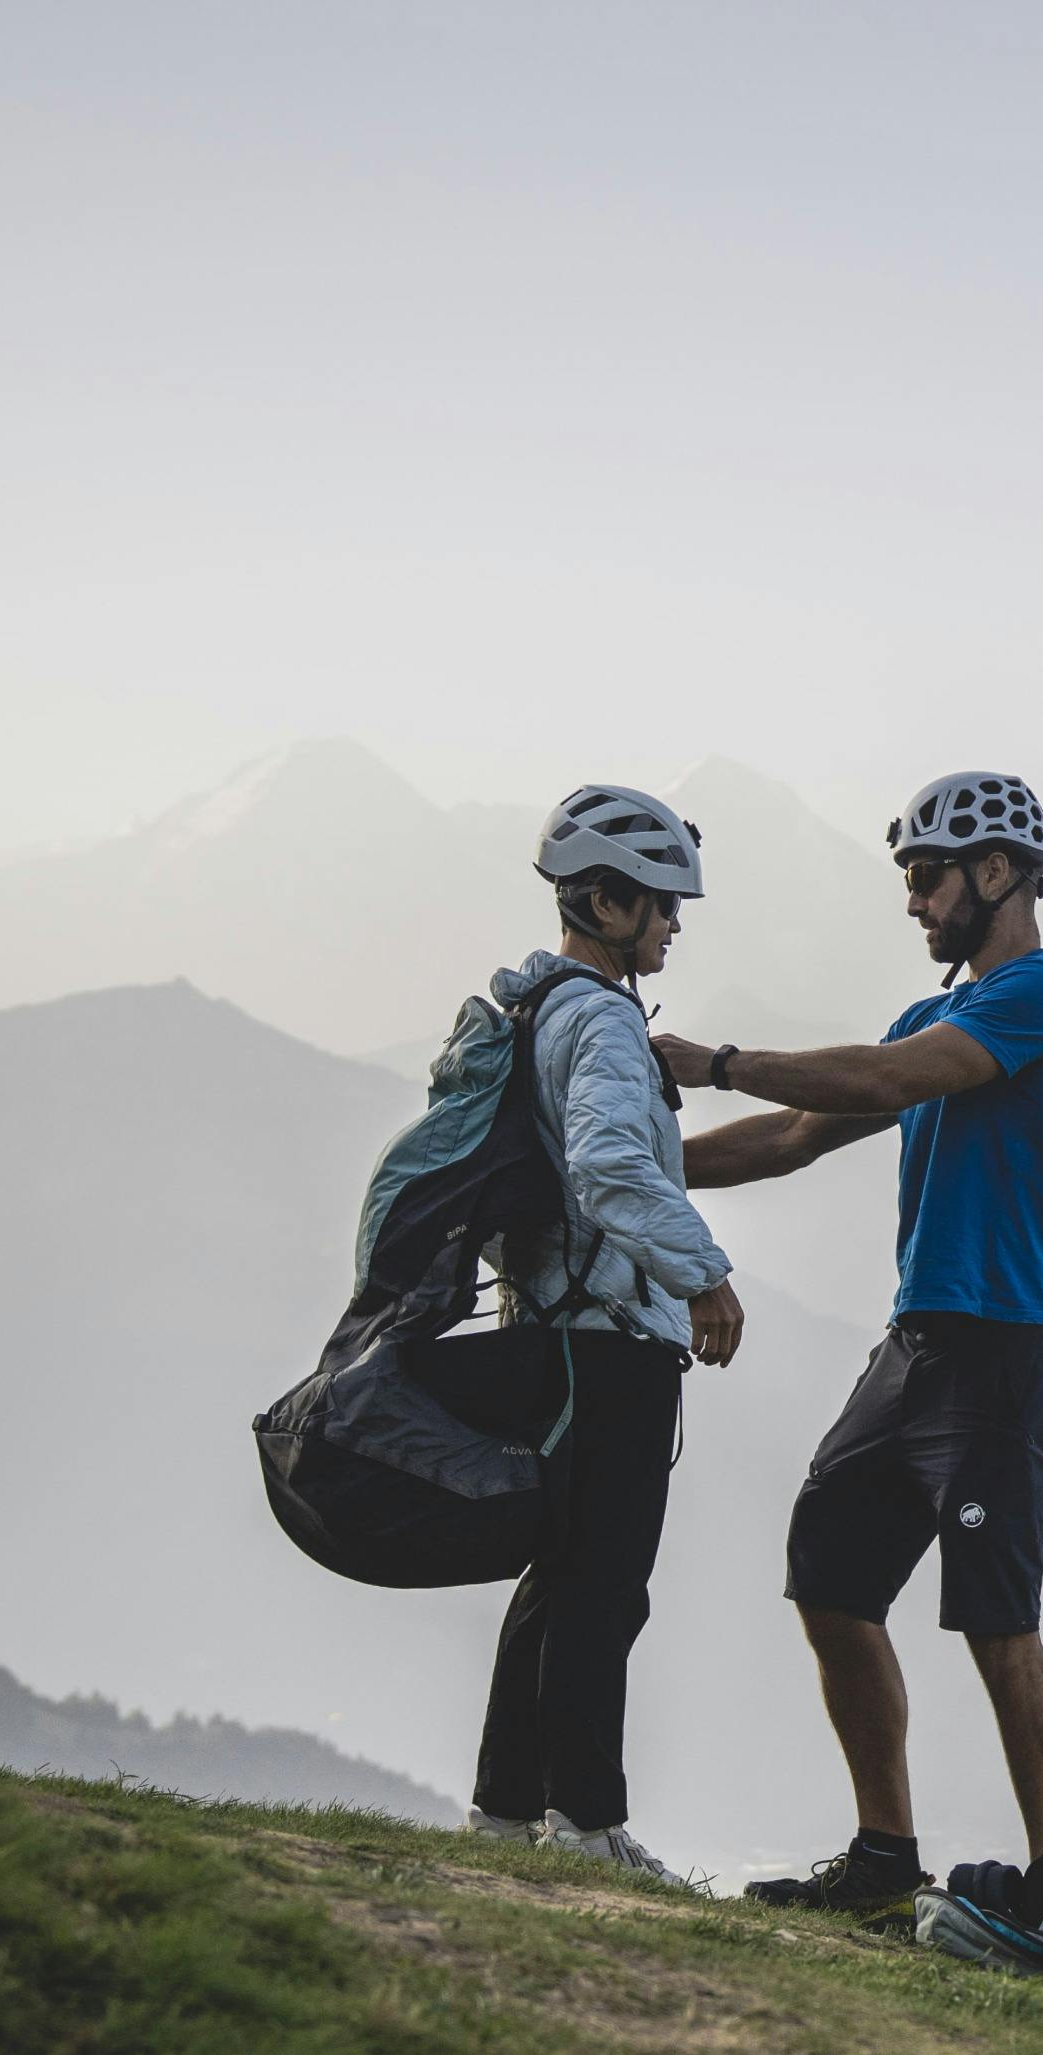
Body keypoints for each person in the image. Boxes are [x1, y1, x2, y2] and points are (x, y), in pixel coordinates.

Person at [660, 770, 1043, 1920]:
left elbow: (893, 1079)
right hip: (916, 1344)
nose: (912, 902)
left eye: (926, 876)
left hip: (1000, 1352)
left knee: (1000, 1625)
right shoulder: (934, 1017)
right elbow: (800, 1136)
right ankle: (882, 1863)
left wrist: (714, 1062)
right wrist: (633, 1165)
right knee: (832, 1579)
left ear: (995, 872)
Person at [464, 783, 747, 1884]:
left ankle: (502, 1814)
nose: (673, 921)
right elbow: (612, 1166)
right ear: (604, 899)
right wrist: (705, 1279)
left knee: (555, 1576)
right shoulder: (605, 1022)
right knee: (602, 1585)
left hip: (549, 1324)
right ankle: (586, 1824)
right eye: (660, 902)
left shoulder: (537, 1010)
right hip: (610, 1339)